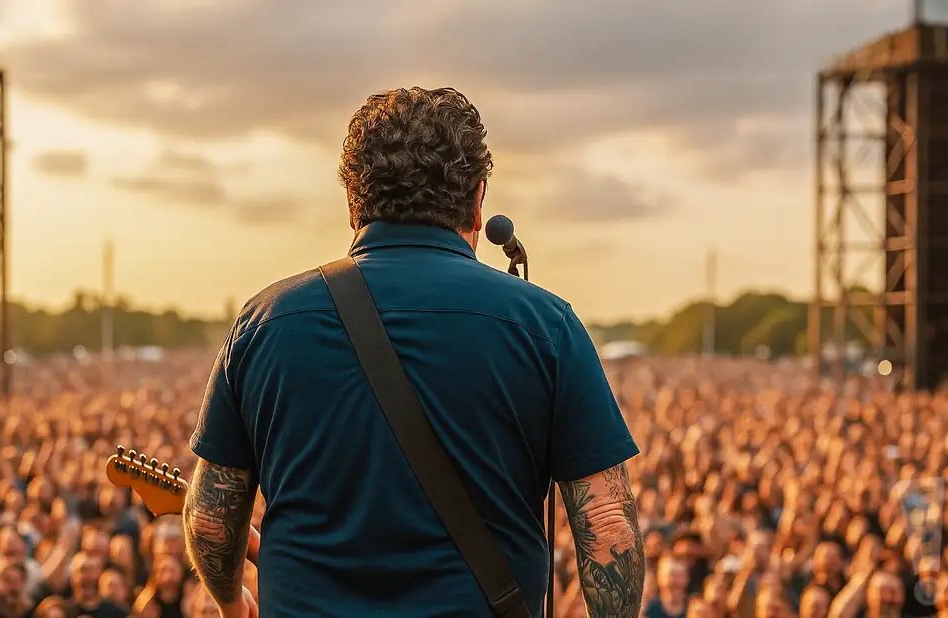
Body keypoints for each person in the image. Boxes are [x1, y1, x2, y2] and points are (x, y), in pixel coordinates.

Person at [182, 86, 644, 618]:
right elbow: (609, 527)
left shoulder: (265, 322)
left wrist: (231, 602)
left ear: (353, 200)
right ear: (478, 200)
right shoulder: (547, 326)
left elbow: (212, 519)